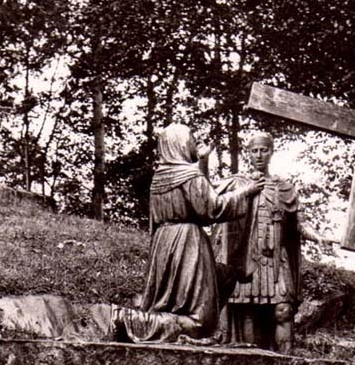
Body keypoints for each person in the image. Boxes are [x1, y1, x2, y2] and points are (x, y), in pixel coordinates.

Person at [109, 124, 263, 343]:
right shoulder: (190, 176)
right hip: (187, 243)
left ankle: (136, 319)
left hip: (163, 243)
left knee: (172, 306)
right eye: (191, 138)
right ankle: (130, 319)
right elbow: (213, 208)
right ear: (180, 143)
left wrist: (200, 160)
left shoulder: (160, 177)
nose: (195, 141)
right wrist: (245, 192)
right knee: (201, 321)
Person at [214, 132, 335, 353]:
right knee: (247, 311)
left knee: (284, 310)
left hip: (275, 258)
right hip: (244, 258)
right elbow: (210, 204)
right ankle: (251, 363)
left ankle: (287, 364)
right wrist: (202, 160)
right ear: (247, 153)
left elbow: (300, 223)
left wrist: (318, 237)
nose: (259, 155)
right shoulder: (235, 184)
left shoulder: (284, 188)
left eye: (264, 150)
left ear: (271, 152)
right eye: (254, 150)